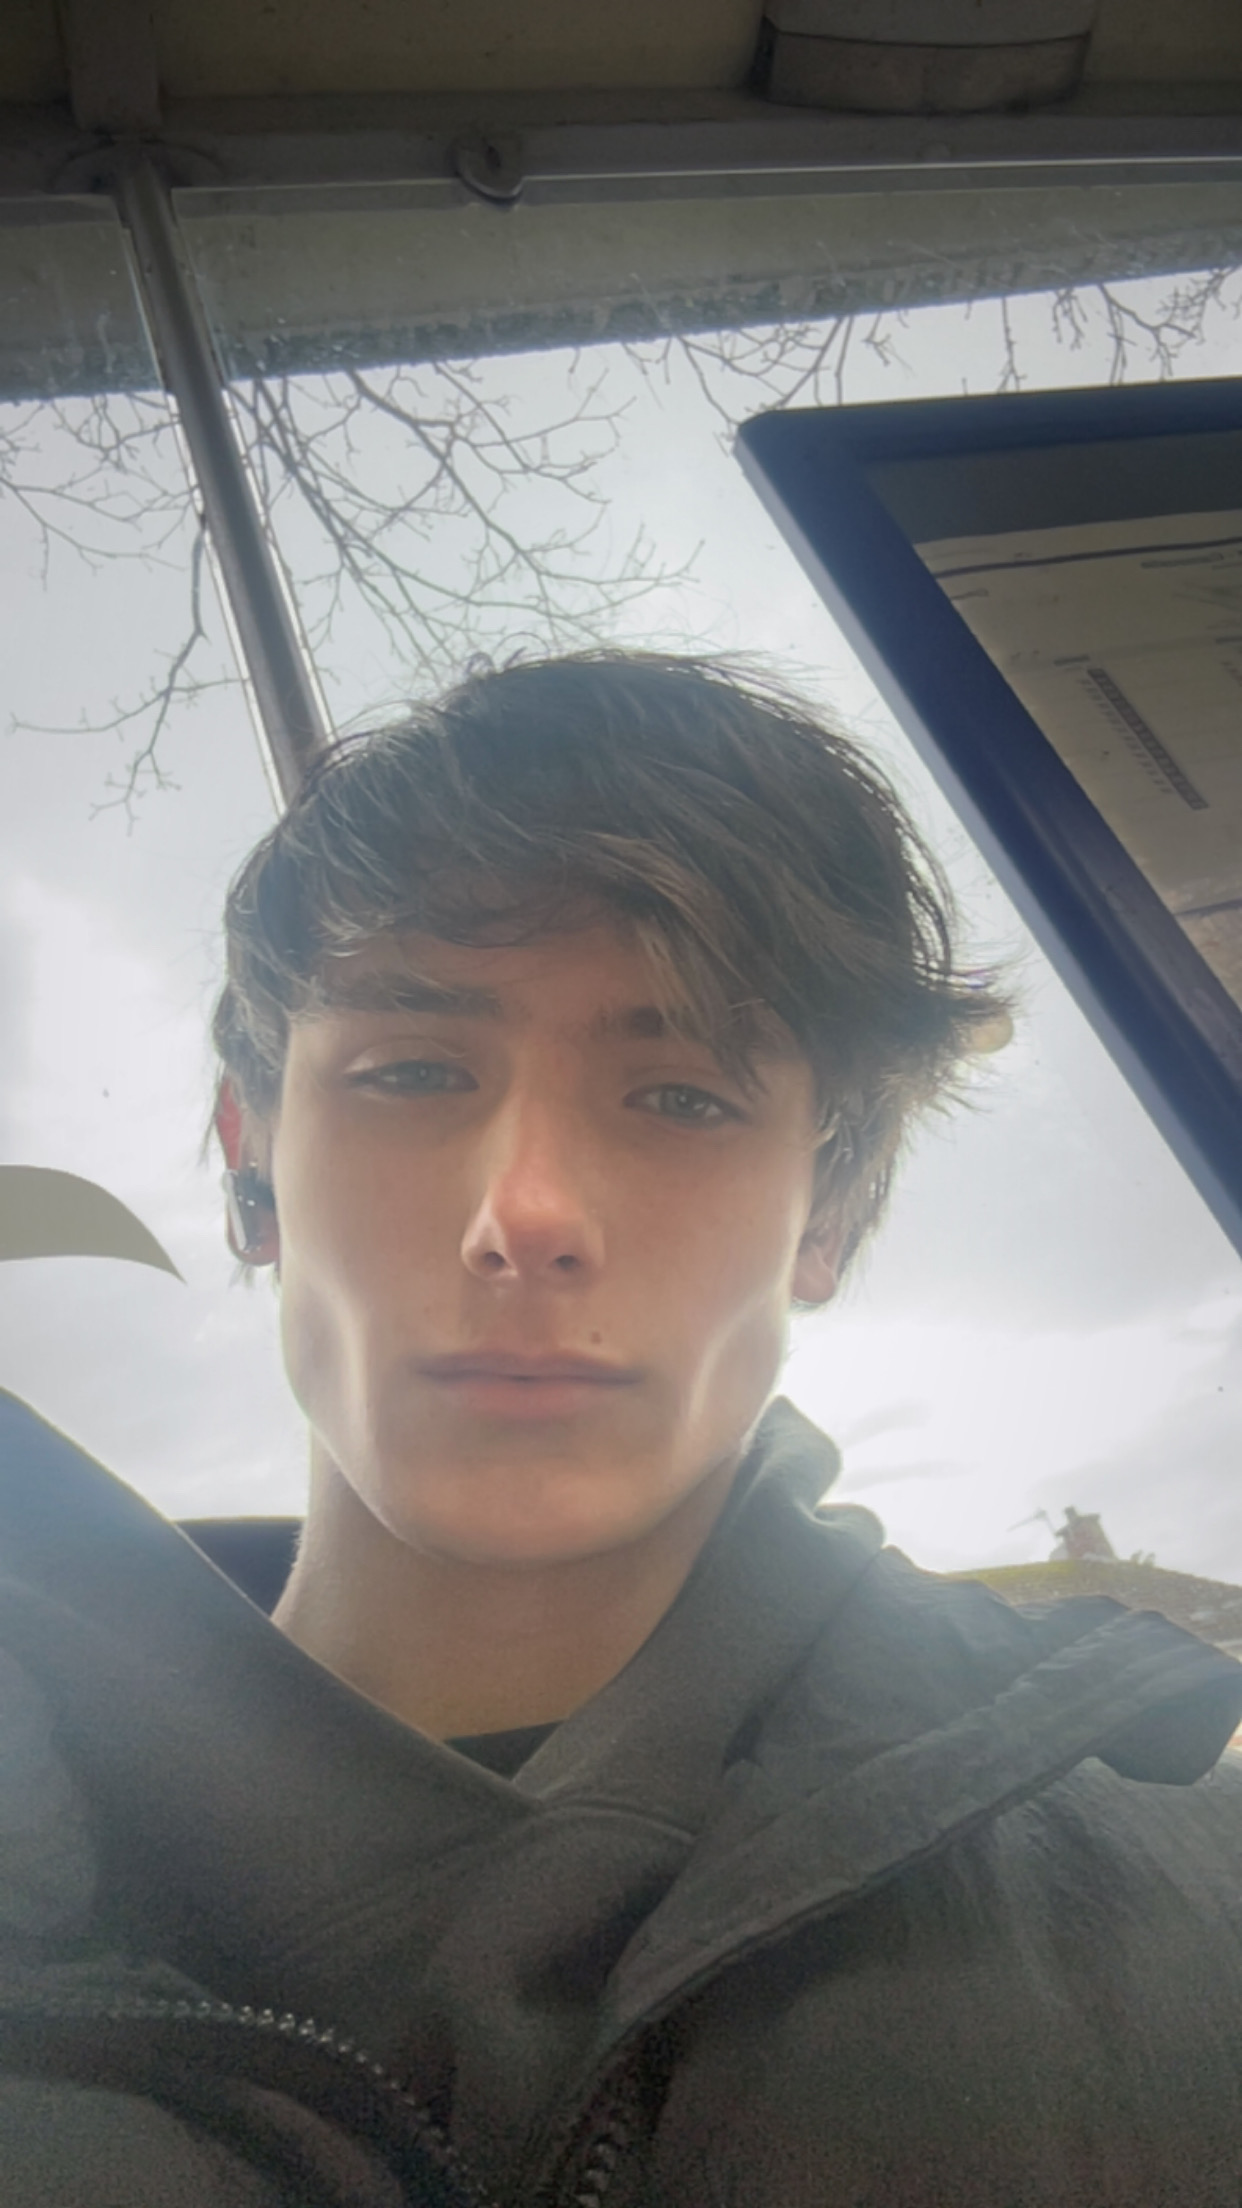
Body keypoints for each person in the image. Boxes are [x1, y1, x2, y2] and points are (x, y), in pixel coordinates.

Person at [3, 650, 1242, 2207]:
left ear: (828, 1207)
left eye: (680, 1097)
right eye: (411, 1071)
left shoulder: (1199, 1928)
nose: (525, 1213)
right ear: (252, 1161)